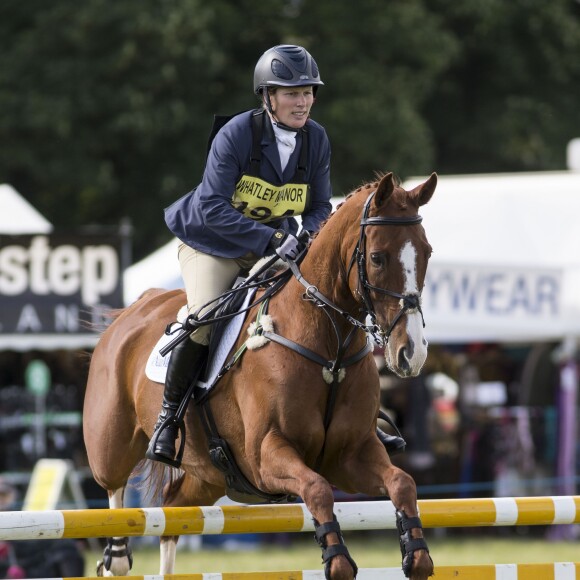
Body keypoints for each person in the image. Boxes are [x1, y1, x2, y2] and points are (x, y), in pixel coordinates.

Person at [146, 44, 405, 467]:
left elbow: (320, 206)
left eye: (307, 93)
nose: (301, 102)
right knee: (205, 317)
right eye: (291, 93)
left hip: (272, 245)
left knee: (316, 309)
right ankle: (169, 418)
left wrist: (309, 237)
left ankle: (360, 418)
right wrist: (271, 239)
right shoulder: (237, 135)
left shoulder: (316, 139)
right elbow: (212, 207)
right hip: (212, 243)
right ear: (267, 97)